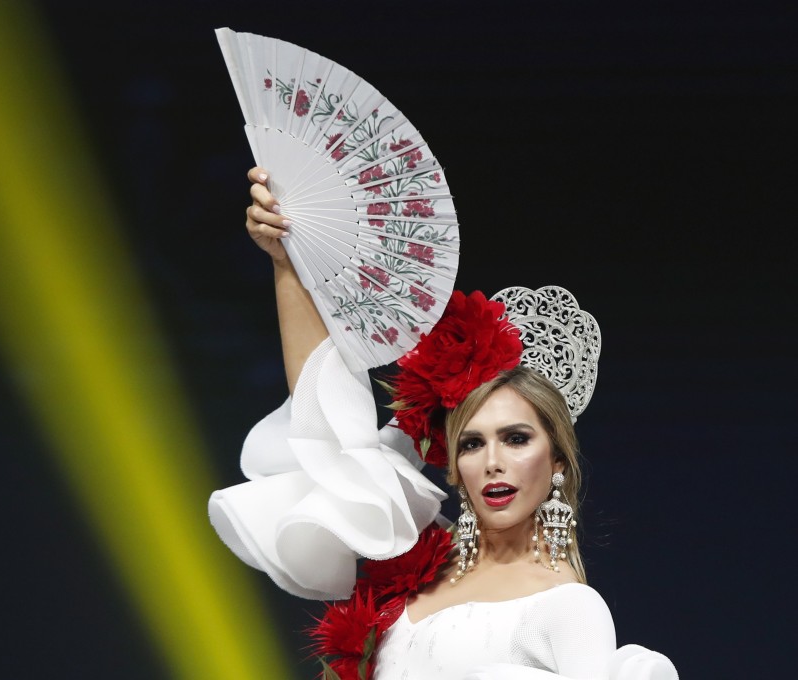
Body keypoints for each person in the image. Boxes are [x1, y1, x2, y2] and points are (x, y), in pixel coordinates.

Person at [207, 166, 678, 680]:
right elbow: (327, 430)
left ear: (557, 459)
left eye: (517, 438)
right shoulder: (415, 565)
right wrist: (286, 263)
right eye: (472, 444)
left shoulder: (569, 608)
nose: (493, 461)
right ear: (453, 465)